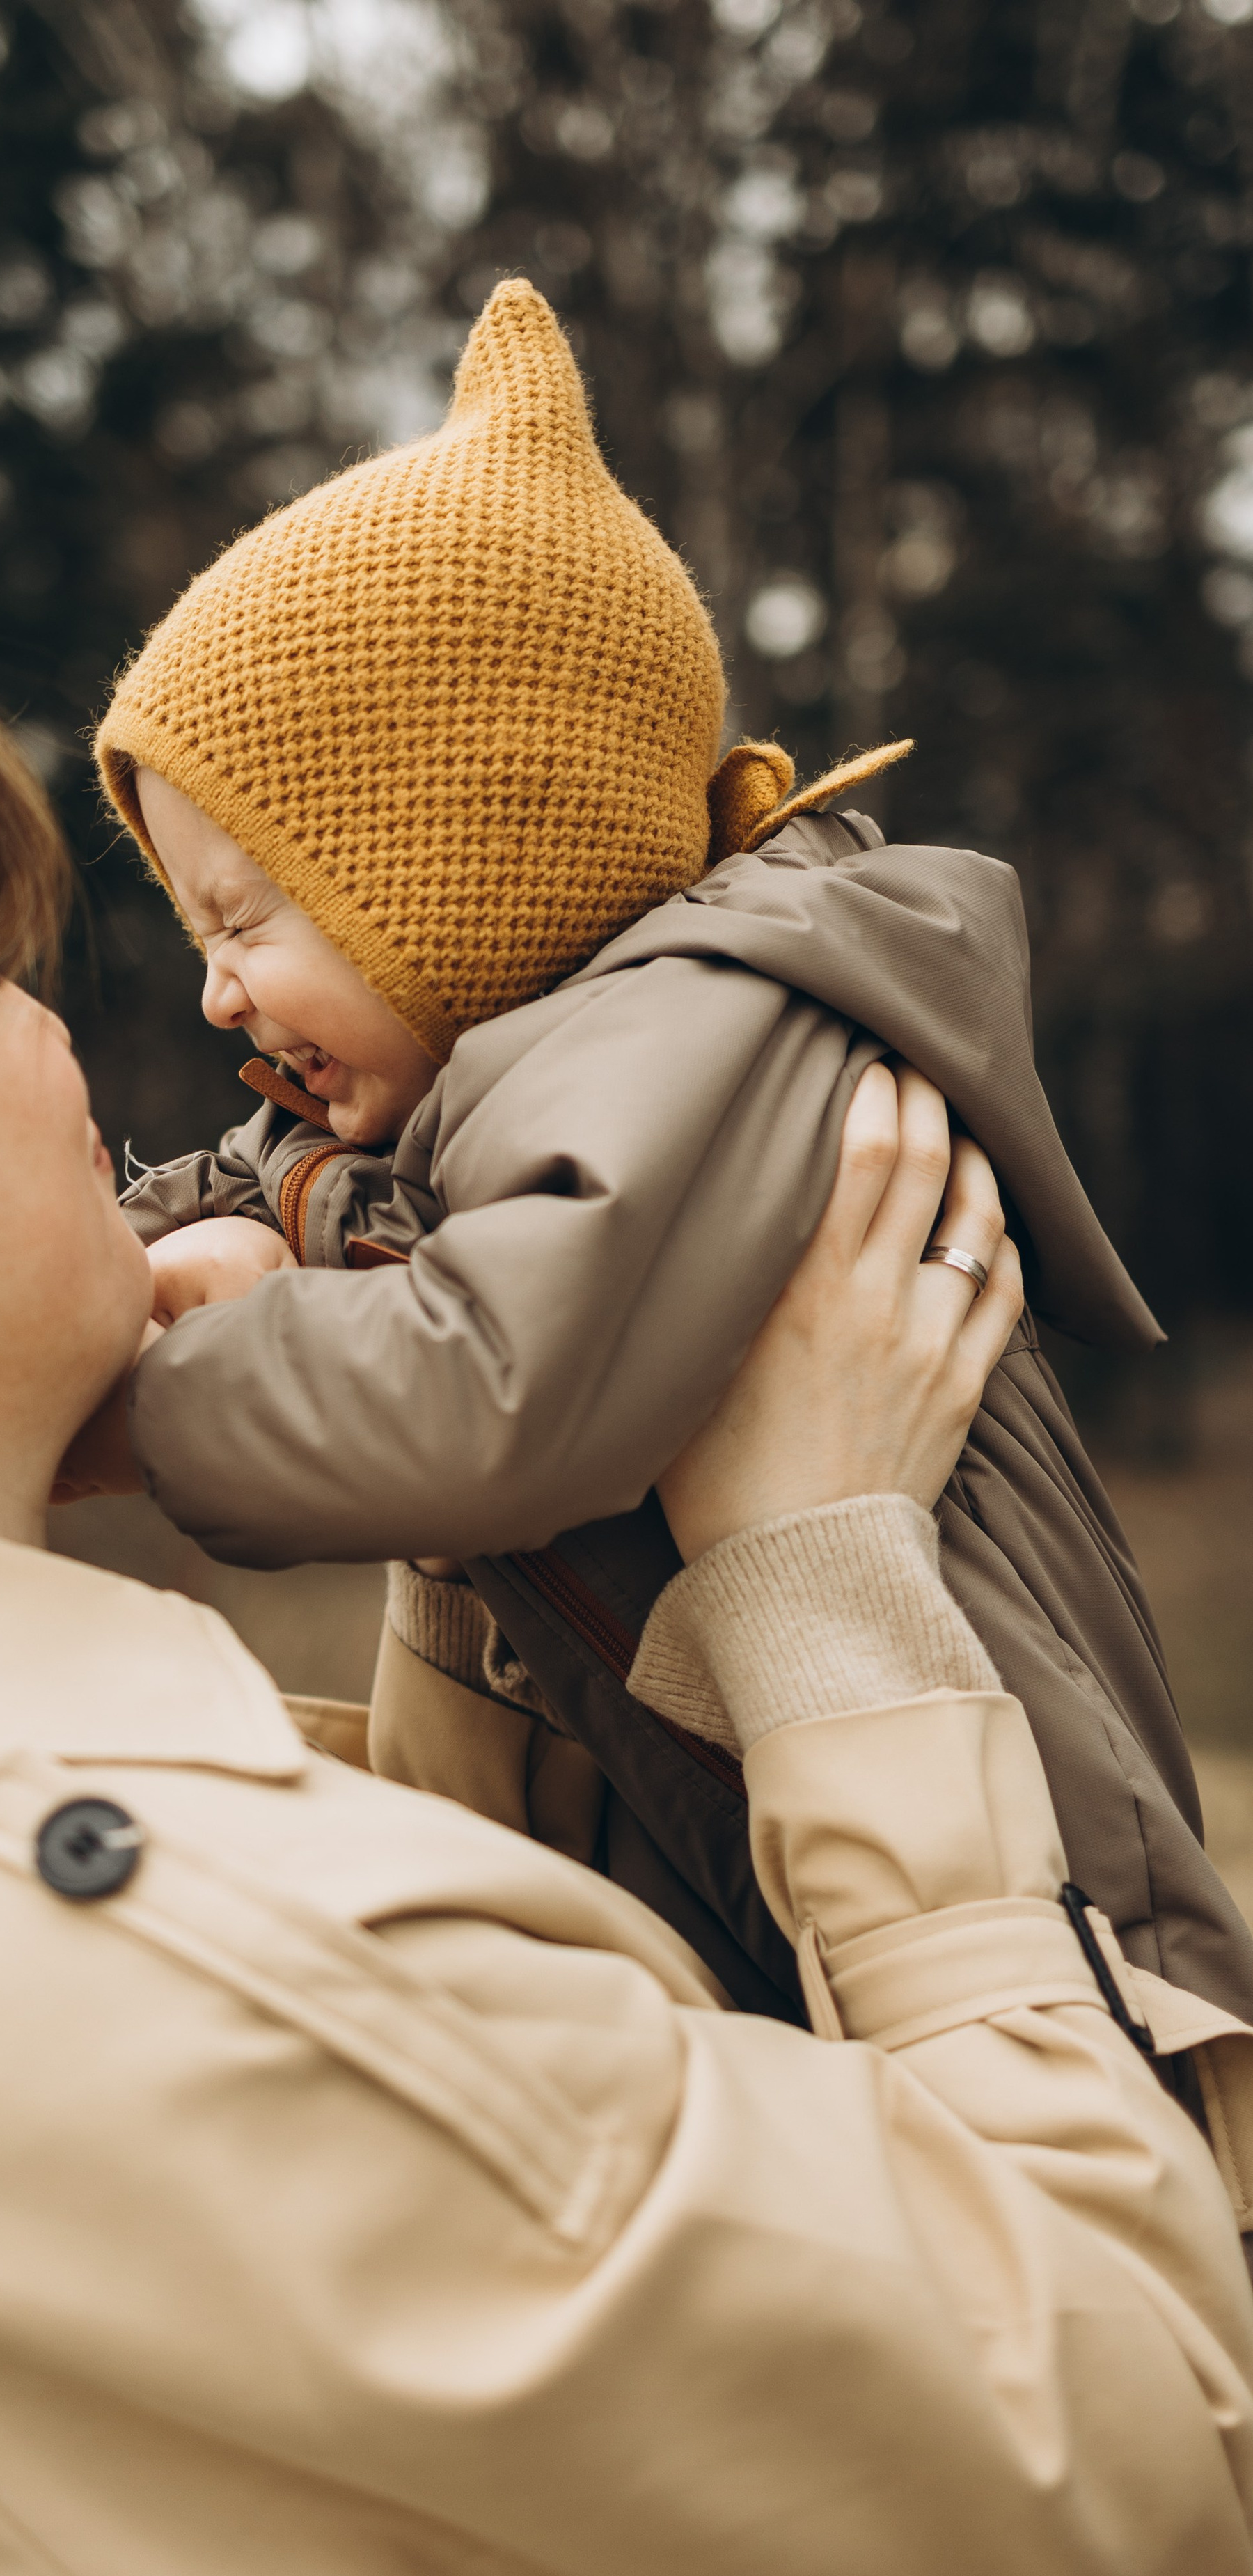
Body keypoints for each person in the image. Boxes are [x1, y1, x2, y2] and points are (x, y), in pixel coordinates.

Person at [0, 620, 1253, 2576]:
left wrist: (480, 1508)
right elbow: (1147, 2422)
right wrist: (816, 1580)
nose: (77, 1036)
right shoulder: (170, 1977)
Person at [85, 276, 1253, 2051]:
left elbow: (498, 1395)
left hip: (1046, 1900)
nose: (211, 981)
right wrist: (107, 1243)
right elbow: (280, 1183)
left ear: (467, 854)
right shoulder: (504, 1074)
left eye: (246, 913)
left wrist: (155, 1382)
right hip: (789, 1859)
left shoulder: (710, 1029)